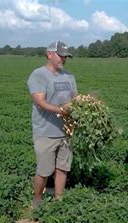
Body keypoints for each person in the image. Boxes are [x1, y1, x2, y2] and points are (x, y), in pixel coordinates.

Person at [27, 40, 77, 208]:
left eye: (66, 56)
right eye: (61, 55)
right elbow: (40, 101)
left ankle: (59, 200)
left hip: (66, 131)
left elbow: (75, 99)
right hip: (45, 131)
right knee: (44, 170)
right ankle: (37, 201)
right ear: (49, 54)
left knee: (63, 168)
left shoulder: (69, 76)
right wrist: (62, 110)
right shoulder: (39, 75)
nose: (64, 59)